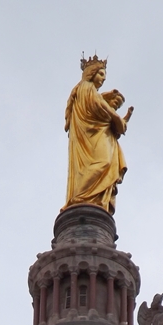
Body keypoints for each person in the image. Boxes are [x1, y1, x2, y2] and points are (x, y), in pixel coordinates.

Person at [63, 55, 134, 214]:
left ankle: (92, 199)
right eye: (101, 74)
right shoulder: (86, 88)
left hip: (98, 137)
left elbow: (104, 109)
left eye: (104, 76)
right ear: (91, 72)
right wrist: (119, 121)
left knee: (105, 164)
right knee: (103, 163)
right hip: (91, 141)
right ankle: (81, 197)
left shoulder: (89, 91)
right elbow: (102, 108)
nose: (103, 79)